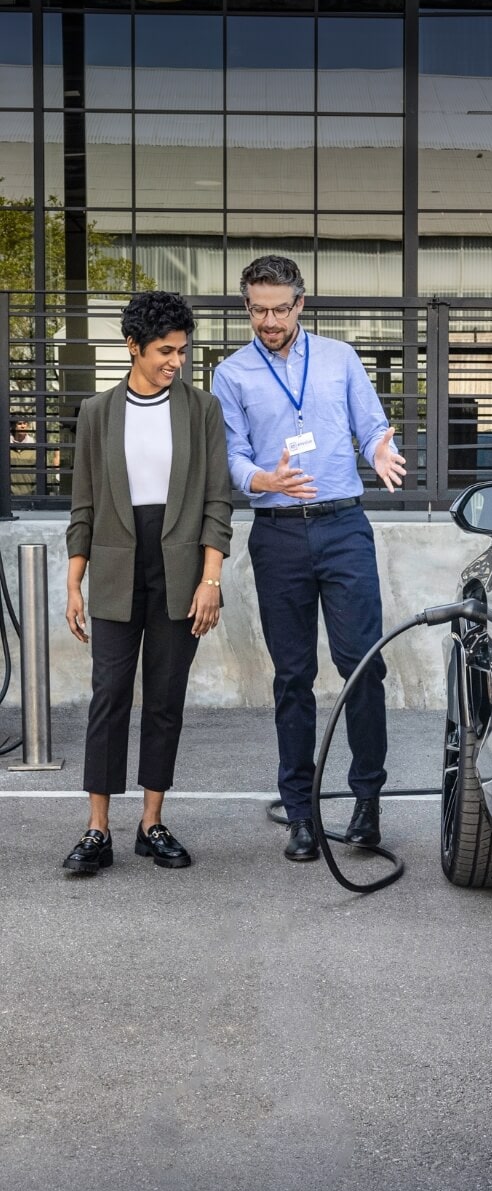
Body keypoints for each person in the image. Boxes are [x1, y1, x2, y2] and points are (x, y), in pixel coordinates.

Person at [211, 255, 406, 863]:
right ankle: (300, 813)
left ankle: (367, 803)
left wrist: (378, 451)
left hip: (344, 527)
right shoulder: (231, 373)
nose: (268, 320)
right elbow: (233, 456)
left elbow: (372, 425)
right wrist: (263, 478)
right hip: (278, 535)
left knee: (363, 666)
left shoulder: (340, 359)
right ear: (247, 306)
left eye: (279, 308)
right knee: (292, 677)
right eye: (257, 309)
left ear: (301, 304)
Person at [62, 291, 233, 876]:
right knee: (109, 695)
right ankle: (96, 829)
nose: (176, 361)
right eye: (165, 350)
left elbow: (218, 501)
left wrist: (211, 577)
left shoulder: (202, 410)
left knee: (164, 698)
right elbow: (82, 504)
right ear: (132, 346)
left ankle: (151, 822)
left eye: (182, 350)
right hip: (114, 567)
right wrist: (73, 582)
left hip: (181, 569)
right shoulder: (96, 413)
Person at [10, 415, 36, 497]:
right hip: (9, 496)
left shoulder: (34, 447)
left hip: (29, 495)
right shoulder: (6, 446)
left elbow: (38, 473)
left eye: (25, 423)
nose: (23, 426)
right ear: (14, 426)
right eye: (19, 423)